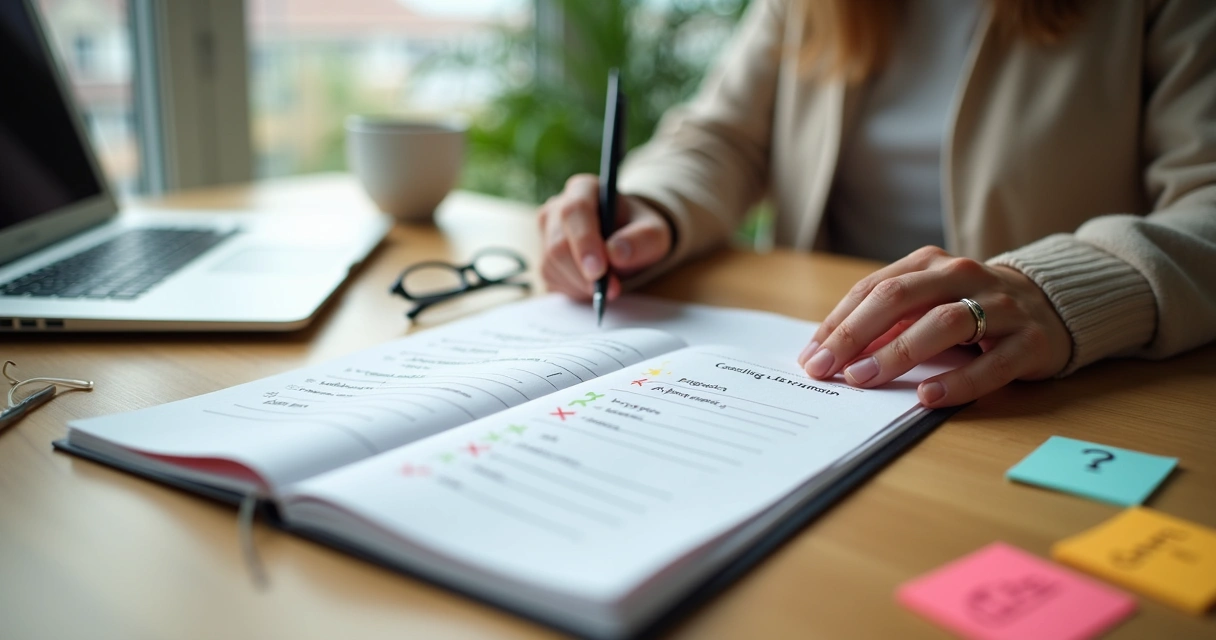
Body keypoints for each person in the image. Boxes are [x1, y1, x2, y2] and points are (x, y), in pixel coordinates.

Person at [537, 0, 1216, 408]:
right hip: (824, 365)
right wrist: (652, 207)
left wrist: (1056, 289)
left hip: (1045, 390)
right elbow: (722, 137)